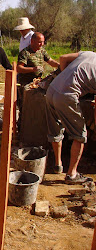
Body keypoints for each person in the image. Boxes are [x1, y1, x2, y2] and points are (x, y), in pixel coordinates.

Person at [46, 51, 95, 184]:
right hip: (67, 95)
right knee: (80, 134)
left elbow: (63, 58)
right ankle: (72, 175)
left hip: (52, 89)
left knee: (55, 127)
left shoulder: (88, 53)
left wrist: (65, 76)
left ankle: (58, 165)